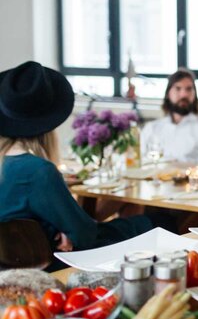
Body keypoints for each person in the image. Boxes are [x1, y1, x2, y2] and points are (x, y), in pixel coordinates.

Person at [0, 61, 155, 264]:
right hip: (55, 261)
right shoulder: (39, 171)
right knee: (155, 222)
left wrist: (61, 229)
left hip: (13, 264)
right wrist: (69, 232)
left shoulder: (9, 166)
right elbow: (86, 236)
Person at [141, 68, 198, 163]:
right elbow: (141, 163)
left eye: (189, 89)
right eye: (178, 88)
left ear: (195, 94)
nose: (184, 94)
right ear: (168, 93)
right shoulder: (151, 128)